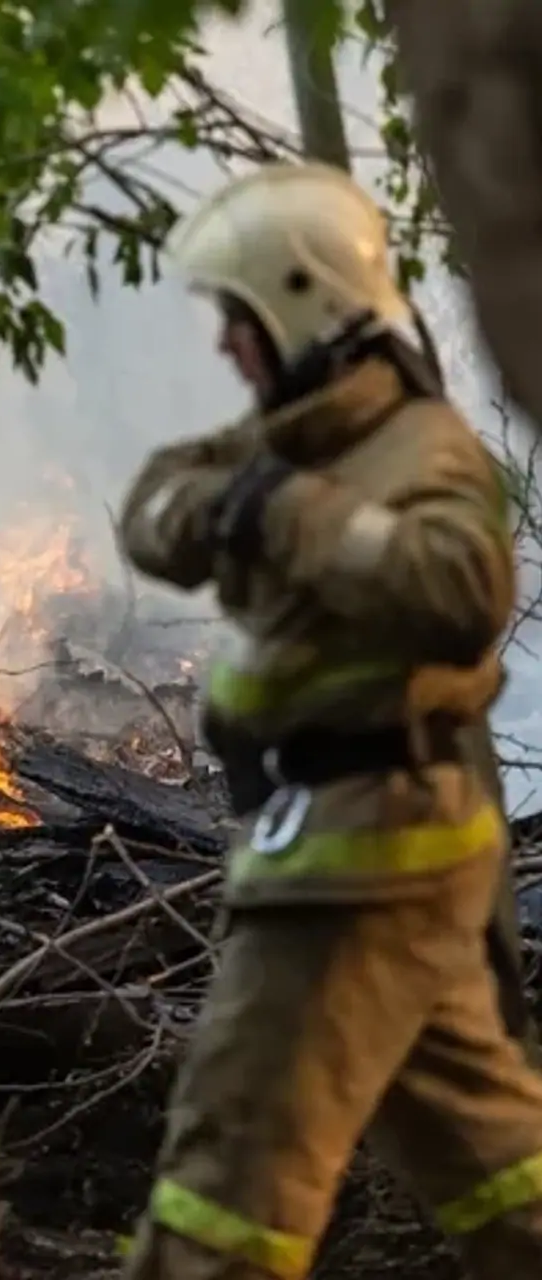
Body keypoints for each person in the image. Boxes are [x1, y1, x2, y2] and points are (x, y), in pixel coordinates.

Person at [117, 161, 542, 1279]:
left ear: (299, 303)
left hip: (359, 863)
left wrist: (289, 514)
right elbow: (154, 513)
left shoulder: (420, 449)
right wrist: (249, 495)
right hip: (367, 849)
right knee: (497, 1167)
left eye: (236, 319)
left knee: (225, 1189)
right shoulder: (295, 436)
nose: (224, 348)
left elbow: (460, 592)